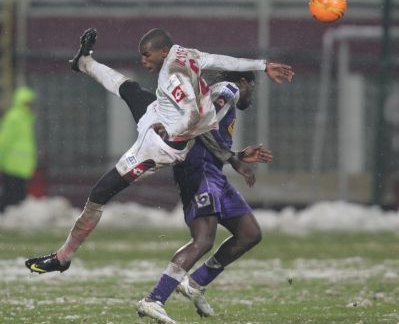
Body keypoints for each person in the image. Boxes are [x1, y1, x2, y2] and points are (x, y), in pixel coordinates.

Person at [25, 27, 294, 318]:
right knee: (125, 101)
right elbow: (195, 111)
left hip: (162, 126)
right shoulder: (191, 71)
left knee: (127, 92)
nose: (142, 59)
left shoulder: (183, 61)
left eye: (146, 54)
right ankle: (67, 259)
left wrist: (262, 66)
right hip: (156, 146)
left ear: (165, 51)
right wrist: (223, 150)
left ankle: (85, 63)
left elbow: (214, 68)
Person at [143, 71, 272, 324]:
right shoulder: (228, 90)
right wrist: (234, 160)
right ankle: (153, 299)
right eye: (252, 89)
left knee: (249, 233)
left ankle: (196, 282)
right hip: (198, 171)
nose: (251, 97)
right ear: (243, 82)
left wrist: (236, 154)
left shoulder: (217, 96)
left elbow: (206, 133)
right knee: (202, 240)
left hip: (211, 172)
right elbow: (199, 122)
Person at [0, 86, 37, 212]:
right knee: (12, 196)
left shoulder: (26, 118)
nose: (30, 105)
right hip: (13, 165)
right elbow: (4, 141)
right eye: (27, 102)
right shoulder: (15, 117)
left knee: (16, 196)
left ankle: (10, 218)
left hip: (21, 167)